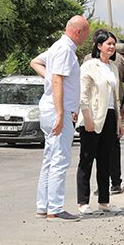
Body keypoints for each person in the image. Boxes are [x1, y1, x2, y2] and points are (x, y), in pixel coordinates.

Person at [30, 15, 90, 222]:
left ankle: (43, 205)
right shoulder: (65, 50)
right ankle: (55, 207)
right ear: (78, 32)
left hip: (51, 109)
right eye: (86, 32)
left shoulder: (57, 47)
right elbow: (57, 81)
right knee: (60, 159)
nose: (87, 37)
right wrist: (61, 112)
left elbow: (35, 62)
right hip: (58, 111)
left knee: (50, 157)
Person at [75, 30, 124, 215]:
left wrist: (119, 120)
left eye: (113, 44)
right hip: (93, 116)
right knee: (86, 159)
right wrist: (86, 118)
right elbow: (83, 94)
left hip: (110, 117)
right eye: (108, 44)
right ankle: (83, 201)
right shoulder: (89, 66)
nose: (111, 47)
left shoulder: (113, 67)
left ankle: (104, 201)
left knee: (106, 160)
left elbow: (116, 97)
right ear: (99, 46)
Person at [84, 49, 124, 194]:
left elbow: (83, 87)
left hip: (94, 109)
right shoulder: (120, 59)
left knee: (95, 150)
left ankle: (101, 188)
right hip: (113, 109)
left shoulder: (87, 59)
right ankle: (115, 183)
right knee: (112, 148)